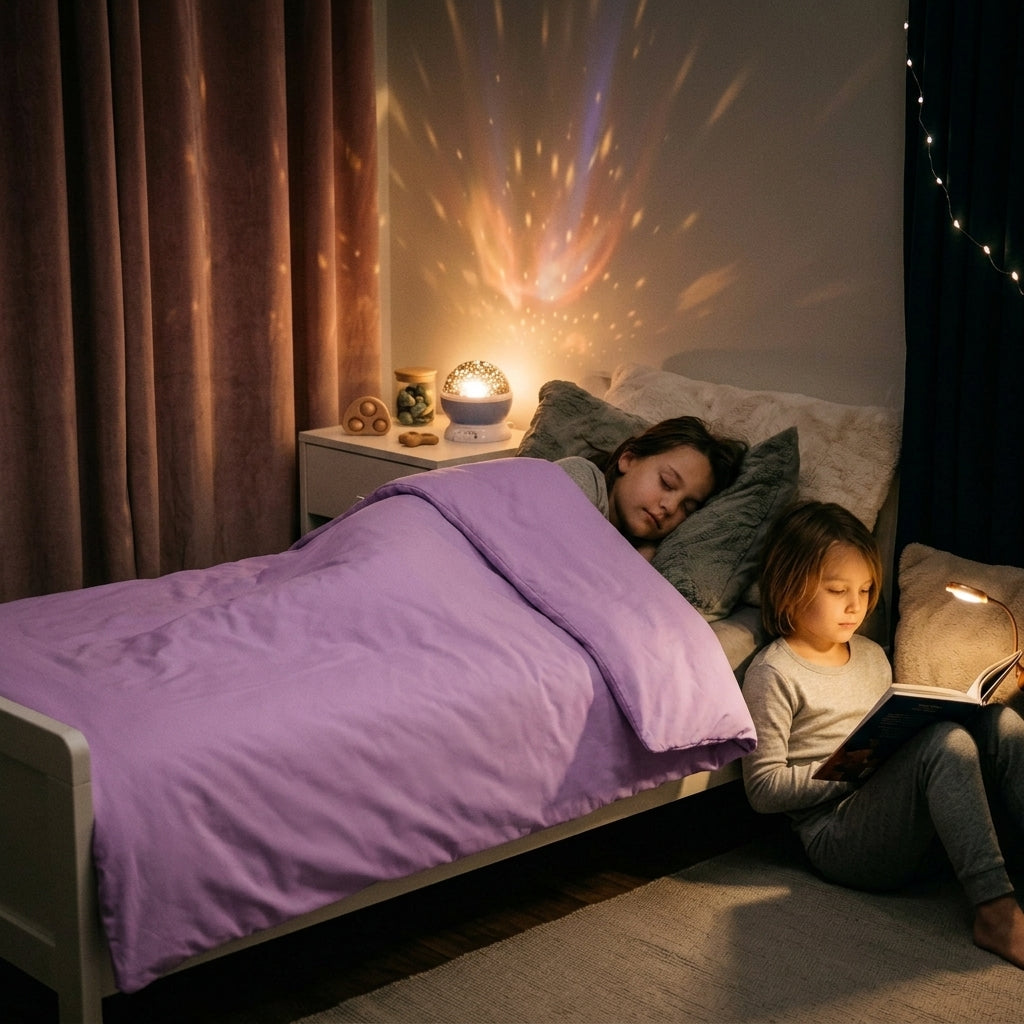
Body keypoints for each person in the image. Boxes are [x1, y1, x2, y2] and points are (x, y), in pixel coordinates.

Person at [742, 500, 1024, 969]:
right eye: (837, 590)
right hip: (837, 835)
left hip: (894, 816)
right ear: (790, 587)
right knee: (943, 746)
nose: (856, 605)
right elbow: (761, 789)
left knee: (1001, 723)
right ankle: (995, 911)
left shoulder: (872, 654)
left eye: (866, 589)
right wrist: (856, 766)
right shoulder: (773, 672)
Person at [557, 416, 747, 562]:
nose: (671, 507)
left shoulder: (648, 552)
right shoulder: (579, 477)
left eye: (687, 508)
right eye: (667, 482)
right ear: (628, 460)